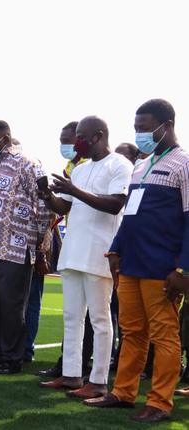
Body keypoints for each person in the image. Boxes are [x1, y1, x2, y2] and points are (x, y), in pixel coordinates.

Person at [85, 99, 189, 424]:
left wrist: (183, 269)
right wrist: (115, 249)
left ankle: (159, 402)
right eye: (137, 127)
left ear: (166, 125)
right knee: (132, 332)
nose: (139, 133)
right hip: (130, 264)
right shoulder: (141, 165)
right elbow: (130, 215)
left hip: (163, 269)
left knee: (164, 335)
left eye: (144, 127)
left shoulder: (184, 164)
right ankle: (123, 392)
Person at [39, 116, 132, 399]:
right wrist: (47, 197)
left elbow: (116, 205)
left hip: (99, 251)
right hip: (73, 251)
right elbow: (65, 206)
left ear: (99, 135)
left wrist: (74, 190)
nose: (77, 141)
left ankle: (99, 380)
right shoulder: (79, 170)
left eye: (82, 135)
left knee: (100, 319)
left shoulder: (120, 165)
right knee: (72, 317)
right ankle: (71, 375)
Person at [0, 120, 50, 375]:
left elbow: (45, 204)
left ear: (5, 138)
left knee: (12, 307)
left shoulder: (28, 163)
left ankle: (13, 358)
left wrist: (38, 243)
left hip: (13, 249)